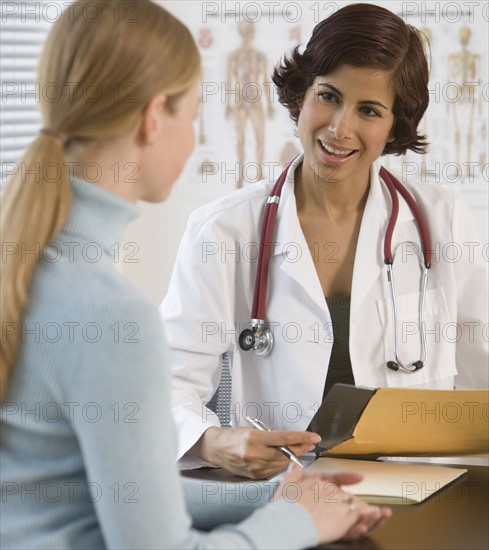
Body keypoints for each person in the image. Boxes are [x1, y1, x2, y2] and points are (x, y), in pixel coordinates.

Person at [0, 1, 391, 548]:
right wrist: (298, 523)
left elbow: (108, 491)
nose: (192, 135)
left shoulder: (30, 271)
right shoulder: (110, 318)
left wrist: (273, 497)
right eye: (191, 115)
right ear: (154, 117)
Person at [161, 3, 489, 480]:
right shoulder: (224, 231)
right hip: (284, 496)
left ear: (395, 125)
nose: (339, 127)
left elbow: (480, 365)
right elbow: (168, 383)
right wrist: (213, 441)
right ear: (301, 92)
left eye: (369, 110)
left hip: (418, 490)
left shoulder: (441, 217)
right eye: (329, 96)